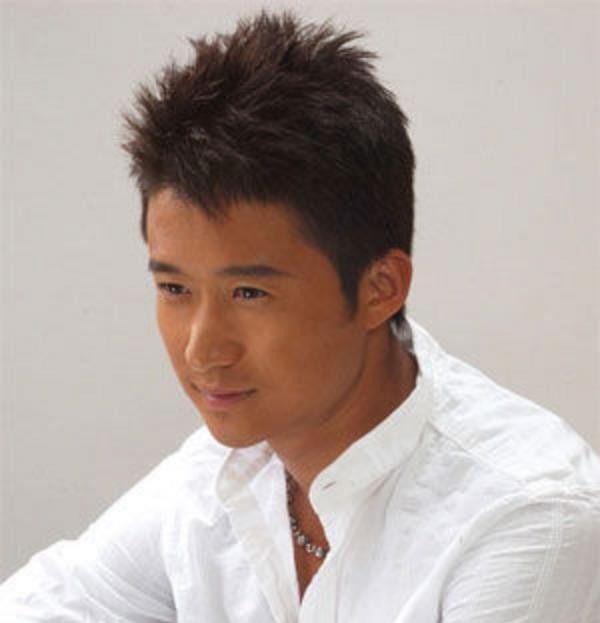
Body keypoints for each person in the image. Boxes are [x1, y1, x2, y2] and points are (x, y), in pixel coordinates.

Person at [1, 10, 599, 623]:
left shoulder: (530, 515)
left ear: (381, 288)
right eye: (175, 288)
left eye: (249, 293)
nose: (202, 350)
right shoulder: (219, 477)